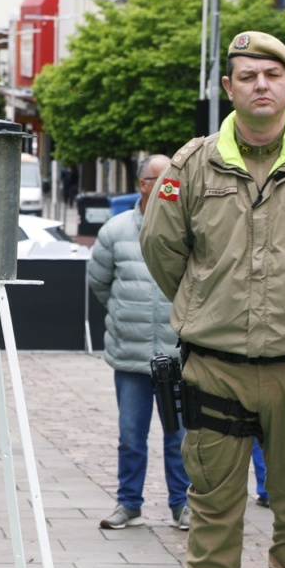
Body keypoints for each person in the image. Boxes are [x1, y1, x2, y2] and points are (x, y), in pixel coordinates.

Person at [141, 32, 285, 568]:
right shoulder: (192, 167)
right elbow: (163, 253)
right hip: (215, 368)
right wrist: (212, 306)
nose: (261, 84)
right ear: (228, 87)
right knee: (213, 512)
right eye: (248, 75)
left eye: (273, 74)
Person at [87, 154, 190, 532]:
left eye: (172, 179)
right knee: (131, 436)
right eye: (158, 179)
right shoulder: (114, 231)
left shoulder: (188, 229)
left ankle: (183, 504)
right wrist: (124, 314)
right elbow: (99, 283)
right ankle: (129, 503)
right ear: (142, 184)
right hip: (130, 356)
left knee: (179, 436)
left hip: (177, 354)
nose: (167, 186)